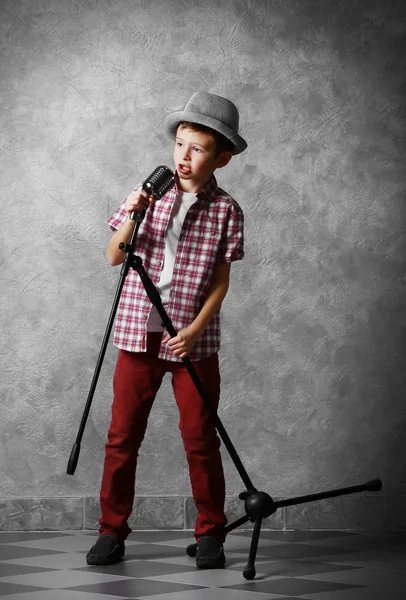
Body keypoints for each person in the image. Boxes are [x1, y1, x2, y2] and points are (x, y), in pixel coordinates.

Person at [86, 91, 247, 569]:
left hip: (193, 340)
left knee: (200, 436)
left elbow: (221, 277)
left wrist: (197, 328)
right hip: (140, 333)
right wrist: (136, 210)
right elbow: (115, 255)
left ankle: (211, 533)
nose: (183, 156)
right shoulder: (149, 196)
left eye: (196, 148)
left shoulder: (226, 211)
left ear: (221, 158)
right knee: (122, 436)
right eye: (180, 144)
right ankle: (111, 530)